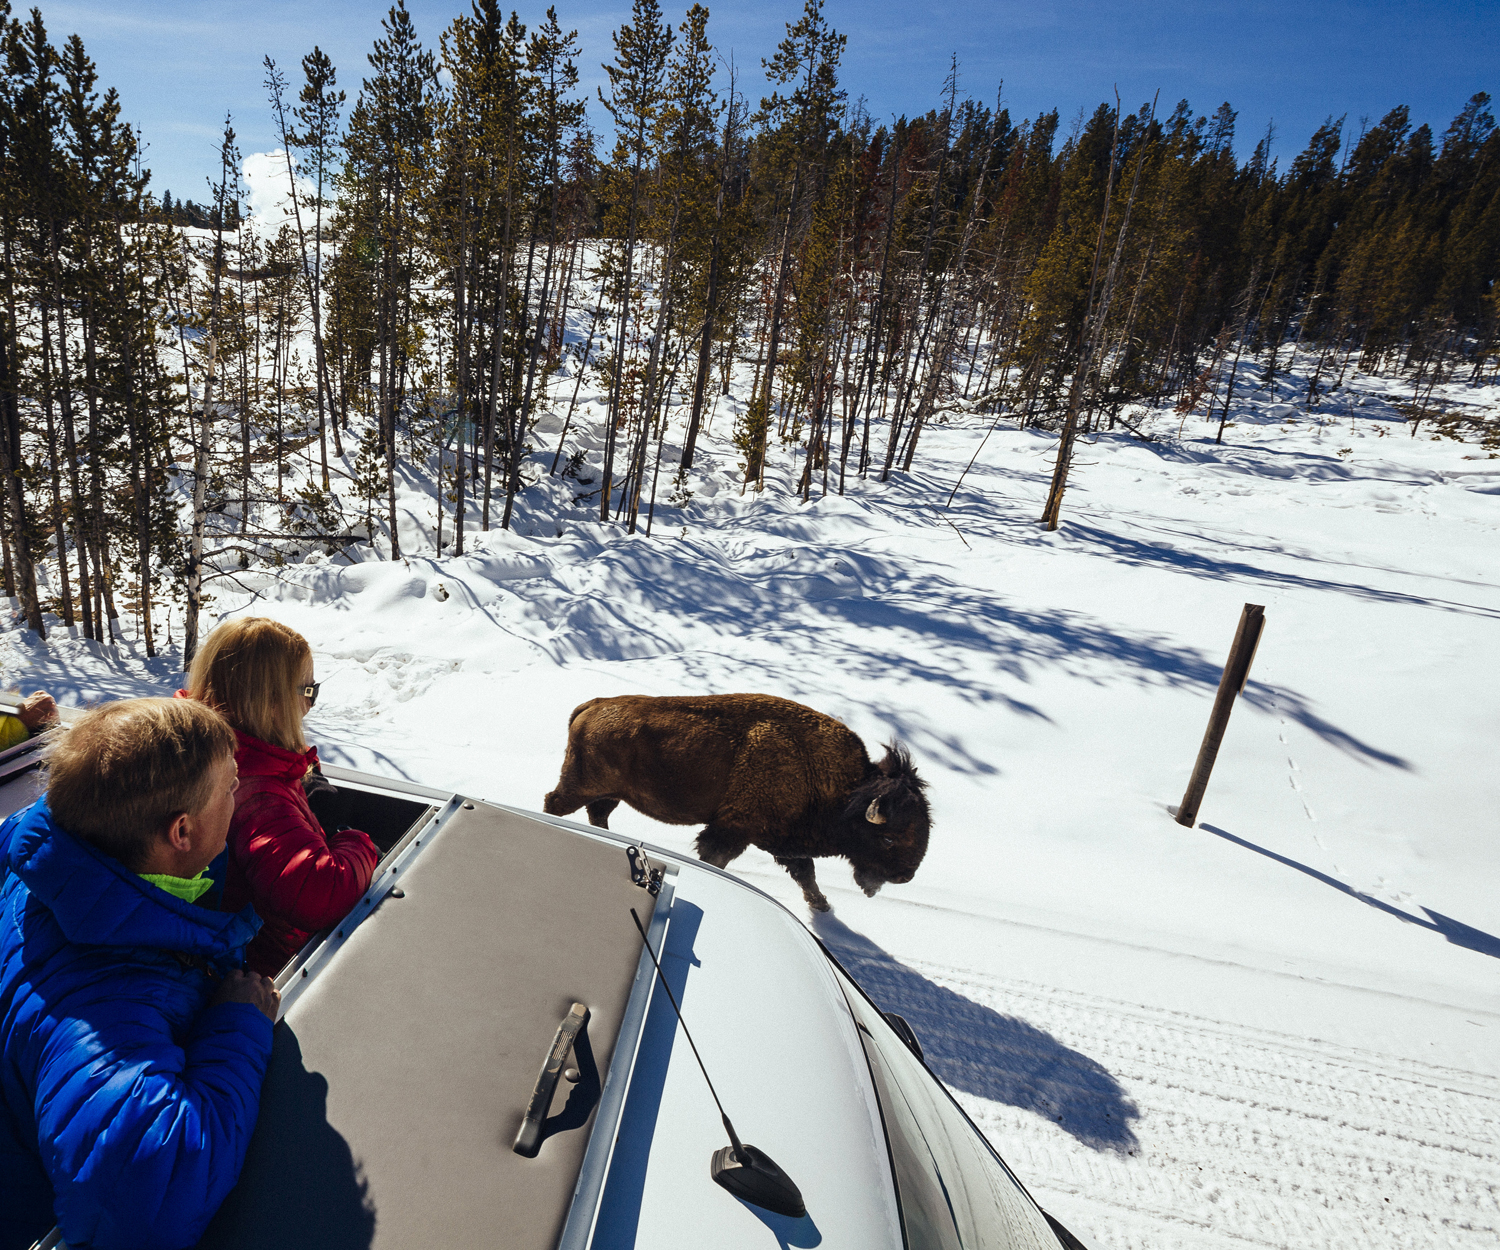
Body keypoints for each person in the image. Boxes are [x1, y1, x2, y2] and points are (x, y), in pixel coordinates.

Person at [0, 698, 279, 1250]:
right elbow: (150, 1193)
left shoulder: (40, 863)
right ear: (181, 832)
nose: (238, 795)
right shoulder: (115, 1002)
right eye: (229, 786)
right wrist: (238, 1026)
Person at [185, 617, 378, 976]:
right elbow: (319, 892)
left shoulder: (204, 749)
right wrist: (357, 841)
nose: (311, 704)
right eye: (308, 692)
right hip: (271, 970)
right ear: (270, 702)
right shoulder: (253, 786)